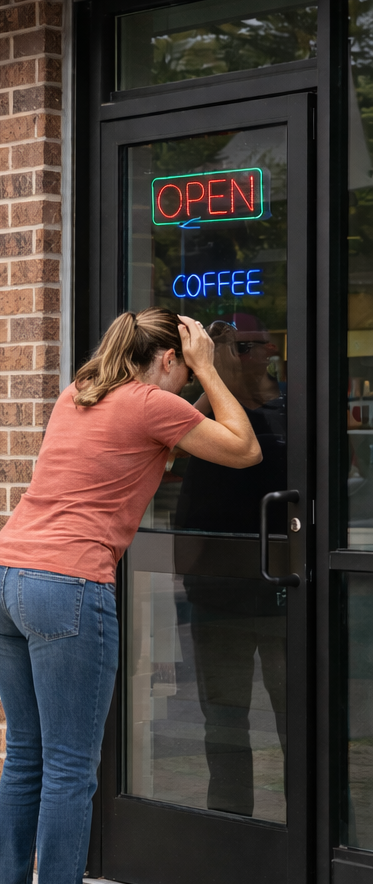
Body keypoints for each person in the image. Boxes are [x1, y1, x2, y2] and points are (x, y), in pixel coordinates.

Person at [0, 309, 261, 884]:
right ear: (167, 360)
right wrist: (212, 370)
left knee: (27, 755)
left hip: (2, 578)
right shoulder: (149, 405)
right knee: (70, 765)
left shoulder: (78, 395)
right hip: (66, 584)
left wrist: (199, 375)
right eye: (186, 364)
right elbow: (243, 447)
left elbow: (172, 428)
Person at [173, 313, 287, 817]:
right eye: (236, 348)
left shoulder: (290, 408)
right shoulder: (207, 413)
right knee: (223, 717)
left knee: (295, 716)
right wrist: (209, 374)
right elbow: (170, 433)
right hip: (217, 588)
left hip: (283, 586)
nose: (244, 356)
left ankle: (308, 831)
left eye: (249, 346)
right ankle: (230, 824)